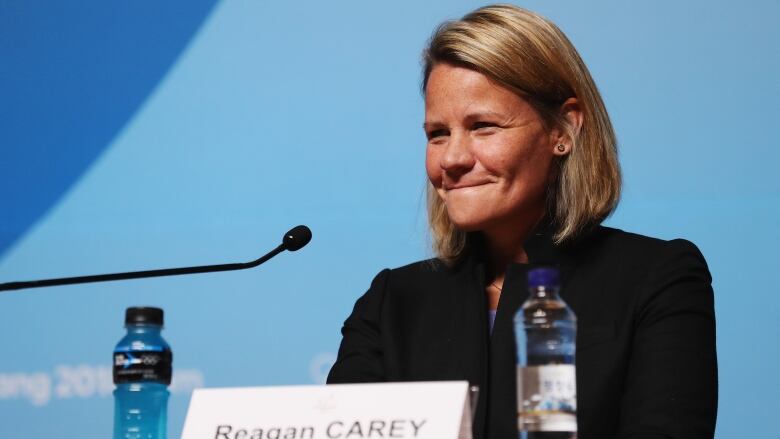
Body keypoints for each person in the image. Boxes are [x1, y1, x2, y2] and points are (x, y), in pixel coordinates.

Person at [327, 4, 717, 439]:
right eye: (438, 133)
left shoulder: (657, 278)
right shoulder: (391, 303)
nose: (452, 158)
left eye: (484, 127)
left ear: (563, 130)